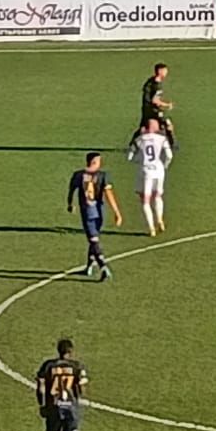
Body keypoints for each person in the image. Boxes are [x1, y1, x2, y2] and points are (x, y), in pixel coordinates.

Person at [34, 337, 89, 431]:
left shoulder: (48, 366)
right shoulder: (77, 366)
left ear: (58, 350)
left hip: (54, 407)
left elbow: (41, 387)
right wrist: (77, 398)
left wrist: (42, 404)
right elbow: (82, 389)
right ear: (70, 351)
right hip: (71, 407)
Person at [67, 151, 123, 281]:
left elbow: (71, 191)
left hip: (87, 212)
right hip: (99, 212)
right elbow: (109, 195)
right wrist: (117, 213)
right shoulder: (103, 176)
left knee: (93, 241)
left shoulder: (78, 175)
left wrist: (70, 204)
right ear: (94, 162)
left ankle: (103, 267)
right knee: (93, 239)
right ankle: (89, 267)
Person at [128, 118, 173, 236]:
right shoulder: (162, 139)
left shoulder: (139, 140)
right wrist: (165, 166)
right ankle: (159, 219)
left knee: (145, 200)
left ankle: (151, 228)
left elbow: (130, 156)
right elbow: (169, 156)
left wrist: (138, 160)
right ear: (153, 127)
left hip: (146, 170)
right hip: (159, 169)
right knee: (158, 196)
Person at [133, 61, 176, 155]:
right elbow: (155, 101)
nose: (166, 72)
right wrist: (167, 105)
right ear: (160, 71)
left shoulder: (151, 81)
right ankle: (172, 145)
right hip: (153, 110)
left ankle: (133, 144)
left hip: (146, 108)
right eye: (165, 70)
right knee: (168, 124)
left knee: (143, 127)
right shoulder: (157, 85)